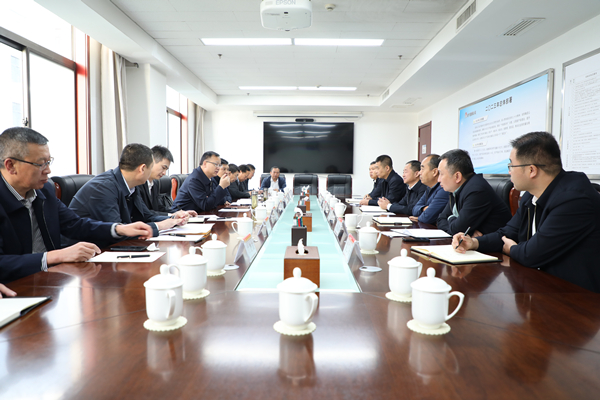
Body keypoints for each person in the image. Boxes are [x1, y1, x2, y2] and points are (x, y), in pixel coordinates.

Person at [0, 127, 153, 283]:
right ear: (11, 165)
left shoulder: (44, 191)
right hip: (15, 286)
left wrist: (118, 229)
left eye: (48, 162)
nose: (48, 170)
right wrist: (56, 256)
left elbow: (75, 224)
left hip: (50, 278)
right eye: (40, 164)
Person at [453, 131, 600, 293]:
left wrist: (512, 249)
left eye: (511, 165)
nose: (509, 171)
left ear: (531, 170)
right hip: (540, 285)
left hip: (577, 296)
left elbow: (531, 255)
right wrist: (474, 243)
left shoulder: (574, 200)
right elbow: (507, 233)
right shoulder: (530, 196)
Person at [69, 143, 187, 239]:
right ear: (142, 168)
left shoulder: (132, 185)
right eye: (151, 167)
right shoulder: (103, 187)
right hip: (82, 251)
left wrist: (173, 220)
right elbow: (118, 231)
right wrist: (158, 226)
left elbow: (146, 216)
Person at [436, 149, 512, 235]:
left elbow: (457, 230)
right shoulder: (456, 189)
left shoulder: (476, 191)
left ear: (457, 176)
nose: (438, 180)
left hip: (496, 241)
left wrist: (450, 218)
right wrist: (455, 223)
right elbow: (440, 220)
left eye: (441, 174)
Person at [139, 145, 197, 217]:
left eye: (166, 169)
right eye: (163, 168)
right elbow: (145, 212)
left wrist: (181, 213)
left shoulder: (155, 183)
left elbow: (159, 208)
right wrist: (172, 215)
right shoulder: (138, 184)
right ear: (152, 161)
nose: (164, 173)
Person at [410, 154, 449, 224]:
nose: (419, 173)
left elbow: (426, 217)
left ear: (434, 172)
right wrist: (424, 208)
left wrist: (420, 217)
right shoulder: (429, 187)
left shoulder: (443, 189)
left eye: (422, 169)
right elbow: (414, 210)